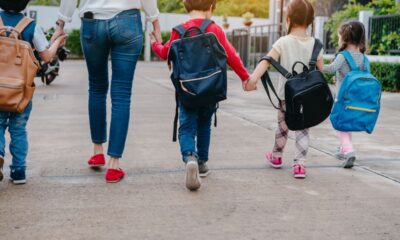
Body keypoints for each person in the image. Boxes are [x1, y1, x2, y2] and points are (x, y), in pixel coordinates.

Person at [52, 0, 160, 183]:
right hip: (128, 22)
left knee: (96, 88)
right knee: (122, 94)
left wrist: (60, 24)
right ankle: (114, 165)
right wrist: (155, 23)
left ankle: (97, 152)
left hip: (92, 23)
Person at [151, 0, 250, 190]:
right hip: (211, 89)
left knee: (187, 127)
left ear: (186, 6)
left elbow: (165, 52)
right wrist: (245, 78)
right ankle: (202, 162)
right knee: (204, 125)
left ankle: (190, 157)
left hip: (187, 91)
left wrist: (155, 44)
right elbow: (231, 55)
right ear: (211, 7)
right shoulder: (214, 29)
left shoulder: (178, 31)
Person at [246, 0, 323, 179]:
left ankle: (277, 157)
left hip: (286, 96)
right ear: (310, 21)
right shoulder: (316, 44)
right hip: (308, 97)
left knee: (283, 127)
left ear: (288, 19)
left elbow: (266, 60)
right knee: (303, 128)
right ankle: (299, 166)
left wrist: (253, 79)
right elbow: (320, 71)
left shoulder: (283, 41)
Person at [0, 0, 67, 184]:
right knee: (18, 129)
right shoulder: (30, 26)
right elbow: (45, 56)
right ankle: (19, 171)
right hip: (20, 91)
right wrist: (58, 41)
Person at [323, 21, 368, 168]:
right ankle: (343, 149)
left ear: (344, 38)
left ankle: (349, 150)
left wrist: (318, 65)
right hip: (357, 98)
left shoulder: (343, 56)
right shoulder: (363, 57)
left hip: (342, 98)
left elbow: (331, 69)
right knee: (346, 124)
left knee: (340, 124)